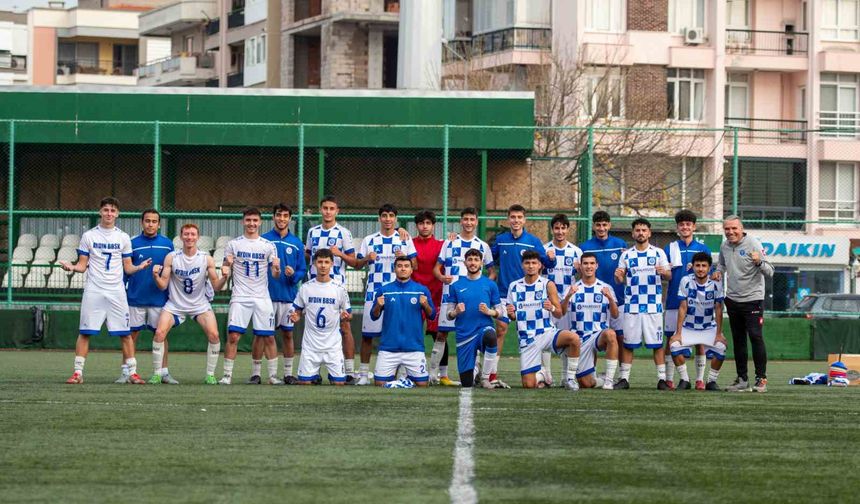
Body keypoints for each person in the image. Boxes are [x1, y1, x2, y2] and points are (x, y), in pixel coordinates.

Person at [61, 197, 152, 384]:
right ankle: (78, 373)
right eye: (106, 210)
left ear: (117, 214)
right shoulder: (89, 236)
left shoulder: (123, 237)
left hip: (116, 291)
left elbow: (128, 268)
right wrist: (71, 267)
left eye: (112, 210)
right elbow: (82, 265)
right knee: (85, 332)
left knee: (125, 333)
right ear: (100, 212)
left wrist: (139, 267)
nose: (109, 213)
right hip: (94, 290)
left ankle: (132, 373)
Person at [150, 223, 229, 384]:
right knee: (159, 333)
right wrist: (155, 276)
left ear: (198, 237)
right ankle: (157, 374)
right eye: (186, 234)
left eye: (193, 234)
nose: (189, 237)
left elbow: (216, 286)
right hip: (175, 304)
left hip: (199, 305)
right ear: (181, 237)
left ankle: (210, 375)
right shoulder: (172, 257)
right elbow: (163, 285)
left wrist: (224, 277)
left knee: (214, 335)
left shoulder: (206, 259)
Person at [491, 204, 552, 387]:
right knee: (501, 328)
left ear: (524, 220)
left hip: (530, 295)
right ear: (508, 219)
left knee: (538, 332)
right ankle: (491, 373)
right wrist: (492, 273)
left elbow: (546, 263)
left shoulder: (533, 240)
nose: (516, 220)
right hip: (504, 292)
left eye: (519, 217)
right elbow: (487, 258)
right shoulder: (501, 240)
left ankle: (545, 373)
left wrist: (551, 258)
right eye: (513, 217)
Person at [355, 203, 417, 385]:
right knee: (368, 335)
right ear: (379, 218)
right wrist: (367, 258)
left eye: (391, 216)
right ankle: (364, 374)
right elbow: (358, 264)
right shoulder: (370, 239)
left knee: (398, 333)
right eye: (384, 215)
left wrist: (403, 257)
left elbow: (416, 266)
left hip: (398, 294)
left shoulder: (404, 239)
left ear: (395, 219)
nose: (388, 219)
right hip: (374, 292)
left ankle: (401, 374)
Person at [432, 207, 495, 385]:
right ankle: (435, 375)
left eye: (472, 219)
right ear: (461, 221)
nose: (468, 223)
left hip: (473, 300)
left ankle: (475, 372)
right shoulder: (449, 242)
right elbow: (436, 269)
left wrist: (483, 288)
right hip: (450, 297)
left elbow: (492, 273)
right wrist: (442, 277)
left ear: (476, 222)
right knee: (441, 334)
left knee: (475, 334)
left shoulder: (483, 245)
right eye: (465, 219)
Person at [219, 207, 280, 385]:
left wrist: (277, 269)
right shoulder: (233, 244)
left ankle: (272, 376)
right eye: (248, 220)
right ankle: (227, 376)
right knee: (233, 336)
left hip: (262, 297)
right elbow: (225, 268)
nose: (251, 224)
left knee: (268, 336)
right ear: (243, 222)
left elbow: (275, 275)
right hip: (240, 296)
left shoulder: (268, 245)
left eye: (255, 220)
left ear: (260, 222)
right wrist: (226, 266)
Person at [505, 250, 582, 390]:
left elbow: (559, 313)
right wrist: (510, 314)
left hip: (547, 333)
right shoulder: (514, 286)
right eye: (527, 263)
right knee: (528, 385)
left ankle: (570, 378)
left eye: (534, 263)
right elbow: (513, 316)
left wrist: (552, 308)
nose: (530, 266)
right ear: (522, 265)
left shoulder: (547, 284)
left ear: (540, 265)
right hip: (527, 338)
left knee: (574, 338)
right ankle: (542, 374)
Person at [714, 215, 774, 393]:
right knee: (739, 341)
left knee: (755, 337)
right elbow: (721, 265)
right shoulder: (724, 245)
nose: (730, 232)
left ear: (742, 229)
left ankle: (761, 379)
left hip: (753, 300)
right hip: (732, 300)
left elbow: (770, 271)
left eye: (734, 228)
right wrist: (718, 272)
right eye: (727, 229)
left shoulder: (754, 243)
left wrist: (759, 261)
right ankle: (742, 379)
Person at [305, 195, 358, 383]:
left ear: (337, 211)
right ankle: (314, 373)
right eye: (325, 208)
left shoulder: (344, 233)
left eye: (331, 208)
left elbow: (354, 262)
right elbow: (307, 257)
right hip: (315, 286)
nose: (328, 212)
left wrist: (340, 254)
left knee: (345, 326)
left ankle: (349, 371)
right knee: (314, 328)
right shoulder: (312, 232)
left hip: (337, 287)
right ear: (320, 210)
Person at [614, 218, 671, 390]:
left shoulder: (658, 253)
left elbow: (669, 276)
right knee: (628, 344)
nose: (641, 233)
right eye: (637, 230)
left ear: (649, 233)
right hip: (632, 306)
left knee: (657, 344)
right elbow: (619, 279)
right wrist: (618, 276)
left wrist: (665, 273)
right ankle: (624, 379)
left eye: (644, 230)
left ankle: (662, 379)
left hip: (653, 306)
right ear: (633, 233)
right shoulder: (626, 255)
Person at [252, 204, 306, 385]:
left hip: (289, 296)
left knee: (288, 334)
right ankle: (256, 373)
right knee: (261, 335)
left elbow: (302, 270)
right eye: (278, 215)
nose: (281, 219)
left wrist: (293, 276)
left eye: (285, 216)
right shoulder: (264, 241)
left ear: (290, 219)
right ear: (273, 217)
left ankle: (288, 373)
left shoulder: (296, 243)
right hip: (265, 296)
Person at [122, 208, 175, 384]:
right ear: (142, 222)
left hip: (159, 299)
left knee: (161, 336)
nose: (150, 224)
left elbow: (172, 272)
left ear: (159, 224)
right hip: (135, 298)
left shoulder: (168, 244)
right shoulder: (132, 243)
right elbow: (126, 271)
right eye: (147, 221)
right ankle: (127, 372)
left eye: (154, 221)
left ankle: (163, 372)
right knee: (131, 336)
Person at [663, 209, 712, 390]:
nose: (685, 227)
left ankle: (699, 379)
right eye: (682, 224)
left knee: (700, 341)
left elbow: (710, 273)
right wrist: (663, 272)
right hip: (674, 302)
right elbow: (666, 274)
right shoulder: (670, 248)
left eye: (688, 224)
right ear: (678, 227)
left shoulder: (702, 248)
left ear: (694, 227)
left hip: (698, 304)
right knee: (670, 340)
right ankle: (670, 379)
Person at [289, 249, 352, 386]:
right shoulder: (306, 288)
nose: (323, 265)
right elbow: (298, 312)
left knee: (339, 384)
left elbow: (348, 313)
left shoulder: (339, 288)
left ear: (331, 264)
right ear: (314, 264)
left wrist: (345, 316)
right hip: (310, 346)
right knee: (304, 384)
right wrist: (295, 316)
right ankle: (313, 376)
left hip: (333, 346)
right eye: (320, 262)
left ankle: (327, 376)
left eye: (326, 262)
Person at [370, 256, 435, 388]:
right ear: (395, 269)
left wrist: (426, 305)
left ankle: (403, 380)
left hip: (414, 348)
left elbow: (432, 315)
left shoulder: (421, 290)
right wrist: (378, 305)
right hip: (388, 348)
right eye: (399, 266)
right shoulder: (384, 290)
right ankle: (403, 381)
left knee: (423, 384)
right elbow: (374, 316)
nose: (403, 268)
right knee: (379, 384)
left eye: (406, 266)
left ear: (411, 270)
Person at [669, 252, 728, 391]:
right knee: (673, 345)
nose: (700, 269)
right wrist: (678, 332)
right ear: (693, 267)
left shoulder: (716, 283)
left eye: (704, 266)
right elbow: (683, 307)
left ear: (709, 268)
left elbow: (718, 309)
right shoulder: (685, 281)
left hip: (708, 327)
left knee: (721, 348)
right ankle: (684, 380)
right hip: (689, 326)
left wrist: (719, 333)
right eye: (697, 265)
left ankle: (711, 381)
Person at [446, 248, 503, 389]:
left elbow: (500, 312)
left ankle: (485, 378)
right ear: (465, 263)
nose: (473, 263)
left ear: (481, 263)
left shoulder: (490, 284)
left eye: (476, 260)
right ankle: (475, 369)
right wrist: (455, 312)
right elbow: (448, 314)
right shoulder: (456, 286)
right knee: (466, 384)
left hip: (483, 329)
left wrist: (490, 312)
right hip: (464, 335)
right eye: (470, 260)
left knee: (491, 336)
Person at [560, 252, 618, 390]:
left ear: (597, 266)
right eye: (585, 263)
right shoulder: (572, 288)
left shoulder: (605, 287)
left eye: (592, 263)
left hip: (598, 335)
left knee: (610, 334)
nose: (589, 266)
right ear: (580, 266)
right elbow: (561, 312)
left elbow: (615, 315)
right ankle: (601, 379)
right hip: (579, 338)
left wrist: (610, 298)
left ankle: (609, 381)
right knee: (586, 384)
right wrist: (568, 296)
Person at [579, 211, 628, 357]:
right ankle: (591, 374)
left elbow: (626, 269)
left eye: (604, 225)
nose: (601, 228)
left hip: (617, 298)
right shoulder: (584, 247)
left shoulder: (620, 245)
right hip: (593, 302)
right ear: (593, 226)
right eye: (598, 225)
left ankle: (621, 375)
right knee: (592, 338)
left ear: (609, 225)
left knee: (620, 337)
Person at [543, 213, 582, 386]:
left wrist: (579, 269)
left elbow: (583, 275)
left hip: (567, 302)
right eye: (556, 228)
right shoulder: (544, 250)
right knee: (544, 338)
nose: (559, 231)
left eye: (563, 228)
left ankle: (566, 377)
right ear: (552, 230)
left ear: (567, 229)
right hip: (548, 301)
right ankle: (547, 376)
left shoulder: (576, 251)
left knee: (566, 338)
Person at [410, 210, 449, 385]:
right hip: (413, 296)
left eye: (428, 223)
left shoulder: (443, 245)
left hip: (437, 295)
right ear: (416, 226)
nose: (424, 226)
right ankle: (408, 371)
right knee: (411, 333)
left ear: (433, 226)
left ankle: (442, 375)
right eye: (421, 223)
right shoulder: (409, 244)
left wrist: (453, 239)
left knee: (439, 335)